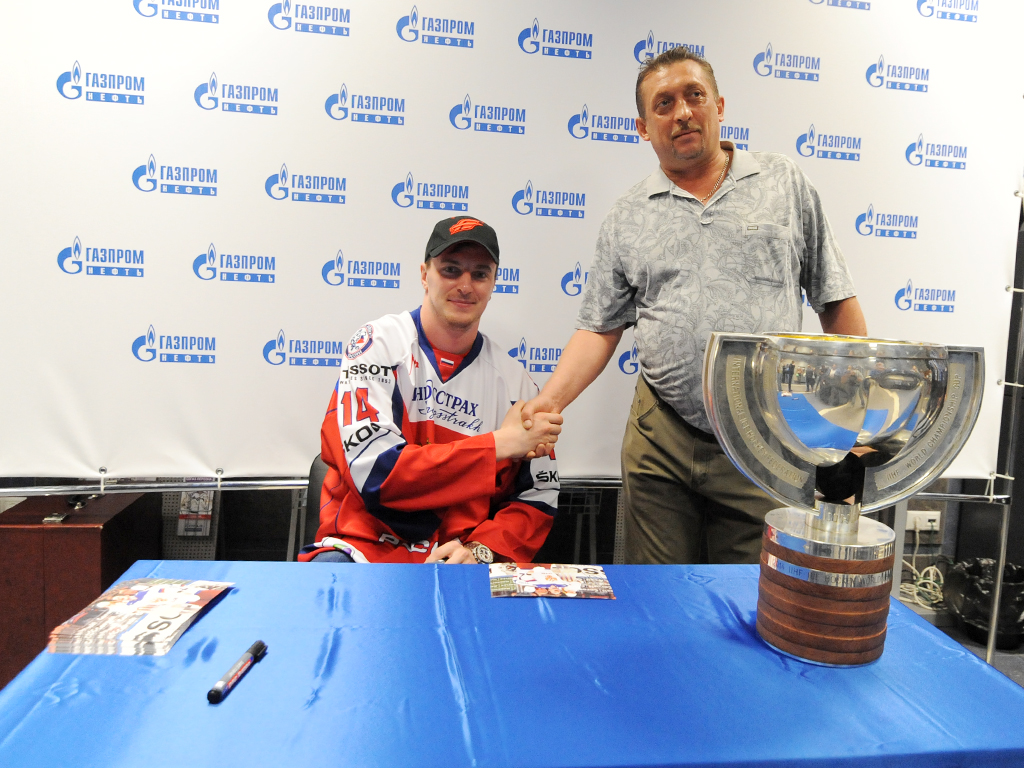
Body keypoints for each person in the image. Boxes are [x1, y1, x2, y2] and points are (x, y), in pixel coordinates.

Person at [522, 47, 867, 566]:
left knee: (748, 604)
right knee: (657, 605)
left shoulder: (784, 183)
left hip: (765, 439)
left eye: (693, 96)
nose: (681, 111)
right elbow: (598, 328)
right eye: (663, 104)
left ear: (719, 106)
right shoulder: (627, 216)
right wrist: (546, 404)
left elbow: (834, 300)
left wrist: (848, 424)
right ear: (643, 127)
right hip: (660, 437)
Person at [299, 216, 562, 565]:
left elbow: (539, 494)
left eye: (480, 274)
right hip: (369, 549)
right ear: (425, 275)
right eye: (451, 270)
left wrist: (481, 550)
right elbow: (377, 473)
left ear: (494, 282)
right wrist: (500, 445)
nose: (465, 286)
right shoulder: (377, 345)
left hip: (462, 557)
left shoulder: (516, 384)